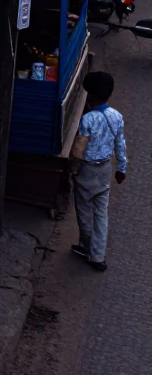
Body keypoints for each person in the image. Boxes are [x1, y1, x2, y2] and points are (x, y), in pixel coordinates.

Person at [71, 70, 127, 272]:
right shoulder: (117, 117)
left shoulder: (88, 120)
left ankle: (89, 249)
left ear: (91, 95)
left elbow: (78, 151)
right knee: (101, 213)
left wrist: (72, 170)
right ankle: (98, 255)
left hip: (87, 170)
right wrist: (121, 168)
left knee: (84, 211)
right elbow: (120, 144)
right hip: (105, 169)